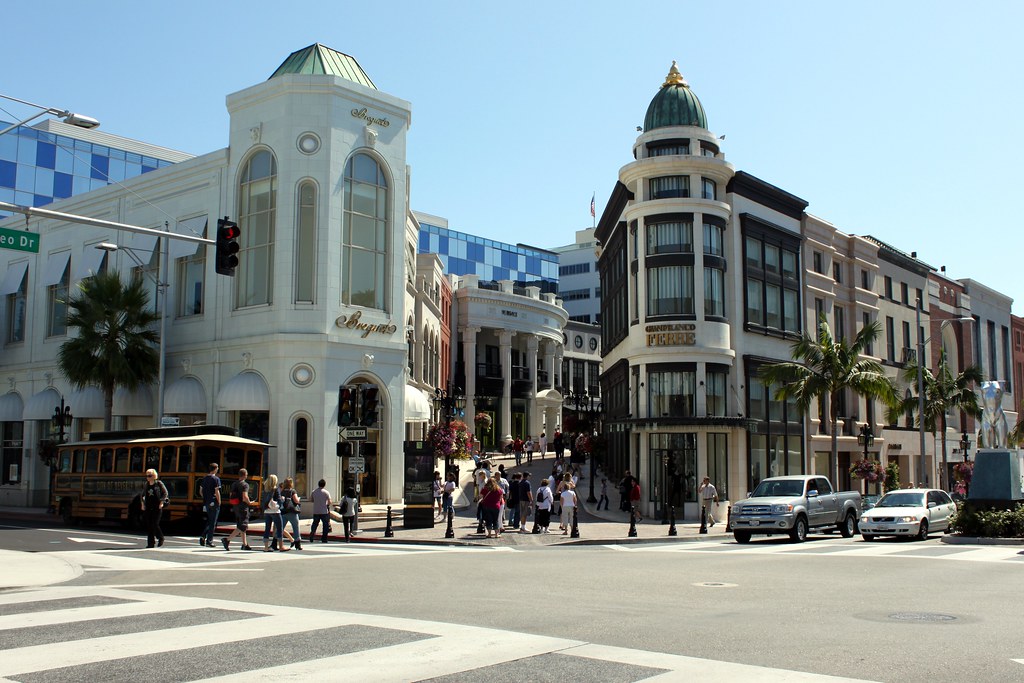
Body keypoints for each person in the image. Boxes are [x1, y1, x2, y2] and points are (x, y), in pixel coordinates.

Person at [223, 468, 252, 551]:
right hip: (243, 507)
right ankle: (227, 540)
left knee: (241, 524)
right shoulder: (245, 485)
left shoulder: (234, 484)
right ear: (245, 475)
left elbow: (231, 495)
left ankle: (245, 544)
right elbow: (245, 497)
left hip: (236, 506)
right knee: (243, 525)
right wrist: (249, 502)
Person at [140, 468, 169, 548]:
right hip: (149, 506)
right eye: (147, 476)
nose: (148, 477)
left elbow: (165, 493)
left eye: (149, 476)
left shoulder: (159, 483)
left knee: (155, 524)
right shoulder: (146, 484)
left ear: (154, 476)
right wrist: (143, 504)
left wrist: (161, 502)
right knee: (149, 525)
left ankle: (160, 537)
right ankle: (150, 543)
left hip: (157, 505)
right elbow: (142, 495)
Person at [198, 462, 221, 547]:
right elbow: (217, 491)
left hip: (207, 502)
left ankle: (203, 536)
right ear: (215, 469)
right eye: (217, 468)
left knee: (210, 520)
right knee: (213, 522)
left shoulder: (204, 478)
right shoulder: (216, 479)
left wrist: (206, 498)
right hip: (214, 502)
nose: (218, 469)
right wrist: (219, 501)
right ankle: (209, 541)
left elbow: (200, 491)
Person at [261, 474, 286, 552]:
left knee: (267, 528)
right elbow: (279, 500)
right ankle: (281, 546)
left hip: (267, 511)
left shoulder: (265, 489)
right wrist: (282, 499)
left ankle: (265, 547)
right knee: (279, 528)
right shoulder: (276, 489)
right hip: (275, 511)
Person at [281, 477, 302, 549]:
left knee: (281, 528)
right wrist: (298, 500)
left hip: (284, 511)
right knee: (296, 528)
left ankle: (277, 542)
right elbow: (296, 500)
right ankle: (297, 544)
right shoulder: (293, 491)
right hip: (292, 511)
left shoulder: (282, 491)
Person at [309, 479, 332, 543]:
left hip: (316, 511)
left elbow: (311, 500)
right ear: (324, 485)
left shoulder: (314, 492)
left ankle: (312, 536)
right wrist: (326, 504)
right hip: (324, 511)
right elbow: (330, 501)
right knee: (325, 525)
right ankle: (324, 538)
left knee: (315, 524)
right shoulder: (326, 492)